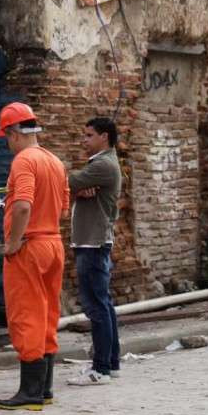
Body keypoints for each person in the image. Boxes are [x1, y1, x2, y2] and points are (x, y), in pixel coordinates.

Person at [0, 102, 70, 411]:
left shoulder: (24, 161)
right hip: (53, 242)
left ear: (14, 133)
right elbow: (63, 209)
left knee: (26, 314)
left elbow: (23, 205)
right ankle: (45, 389)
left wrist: (13, 242)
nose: (8, 144)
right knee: (48, 313)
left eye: (6, 138)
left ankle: (30, 393)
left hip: (30, 246)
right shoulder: (54, 161)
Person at [66, 117, 123, 386]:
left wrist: (74, 186)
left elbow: (66, 181)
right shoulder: (100, 164)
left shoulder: (103, 165)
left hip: (93, 243)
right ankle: (111, 363)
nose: (84, 140)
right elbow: (74, 185)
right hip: (92, 241)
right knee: (104, 304)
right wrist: (77, 190)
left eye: (89, 135)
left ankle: (100, 369)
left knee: (96, 306)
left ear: (104, 137)